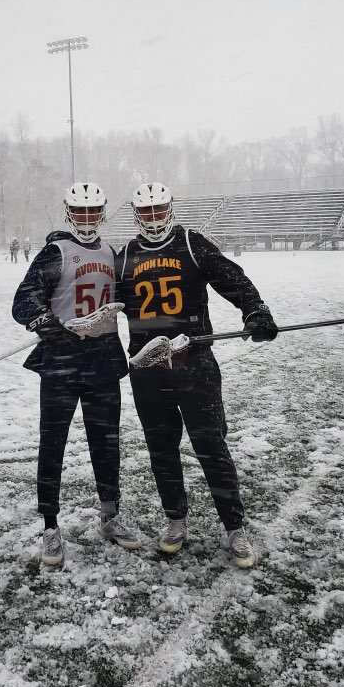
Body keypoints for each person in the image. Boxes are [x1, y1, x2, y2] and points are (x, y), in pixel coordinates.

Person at [116, 181, 278, 569]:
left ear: (169, 208)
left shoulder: (191, 242)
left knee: (211, 446)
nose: (153, 218)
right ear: (136, 215)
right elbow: (105, 303)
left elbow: (231, 278)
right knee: (161, 448)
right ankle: (176, 521)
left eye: (159, 210)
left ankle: (234, 527)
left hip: (195, 363)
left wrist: (255, 311)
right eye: (146, 212)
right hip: (147, 368)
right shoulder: (125, 256)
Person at [12, 181, 141, 566]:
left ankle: (110, 514)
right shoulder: (55, 252)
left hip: (102, 359)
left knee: (107, 442)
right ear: (70, 213)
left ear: (102, 214)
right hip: (61, 362)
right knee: (53, 444)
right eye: (80, 213)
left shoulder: (111, 253)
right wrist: (44, 323)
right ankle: (51, 526)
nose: (87, 220)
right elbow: (23, 300)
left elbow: (132, 298)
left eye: (93, 213)